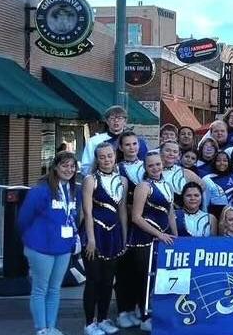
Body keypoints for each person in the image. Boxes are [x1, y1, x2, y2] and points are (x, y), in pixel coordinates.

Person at [18, 152, 79, 335]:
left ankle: (51, 326)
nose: (69, 170)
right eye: (64, 166)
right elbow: (23, 218)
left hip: (63, 248)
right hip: (41, 248)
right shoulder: (41, 190)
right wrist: (31, 239)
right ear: (55, 167)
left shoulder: (73, 189)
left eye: (72, 166)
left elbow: (73, 217)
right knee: (40, 289)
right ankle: (41, 328)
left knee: (54, 289)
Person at [127, 152, 177, 331]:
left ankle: (156, 313)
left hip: (163, 239)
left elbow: (170, 215)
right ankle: (145, 316)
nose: (155, 168)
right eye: (151, 166)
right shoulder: (143, 186)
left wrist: (176, 237)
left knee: (159, 278)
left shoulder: (167, 185)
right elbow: (136, 217)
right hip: (144, 239)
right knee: (144, 278)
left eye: (158, 164)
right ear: (145, 168)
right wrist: (158, 234)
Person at [81, 143, 127, 335]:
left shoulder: (122, 180)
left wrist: (124, 237)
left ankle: (103, 318)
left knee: (108, 280)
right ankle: (89, 323)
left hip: (113, 235)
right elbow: (87, 211)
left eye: (109, 156)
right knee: (93, 279)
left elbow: (122, 210)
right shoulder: (91, 180)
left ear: (115, 156)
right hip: (95, 233)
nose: (107, 160)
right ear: (97, 159)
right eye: (102, 157)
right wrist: (91, 239)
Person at [113, 131, 143, 329]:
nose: (132, 148)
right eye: (128, 145)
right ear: (121, 148)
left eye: (134, 144)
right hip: (123, 223)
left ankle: (140, 307)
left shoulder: (147, 166)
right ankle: (124, 310)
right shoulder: (116, 168)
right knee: (123, 269)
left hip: (143, 224)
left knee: (140, 269)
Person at [81, 106, 148, 175]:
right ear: (107, 121)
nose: (116, 121)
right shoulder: (95, 141)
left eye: (119, 118)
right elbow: (86, 167)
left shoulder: (138, 142)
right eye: (112, 118)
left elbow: (146, 163)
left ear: (125, 121)